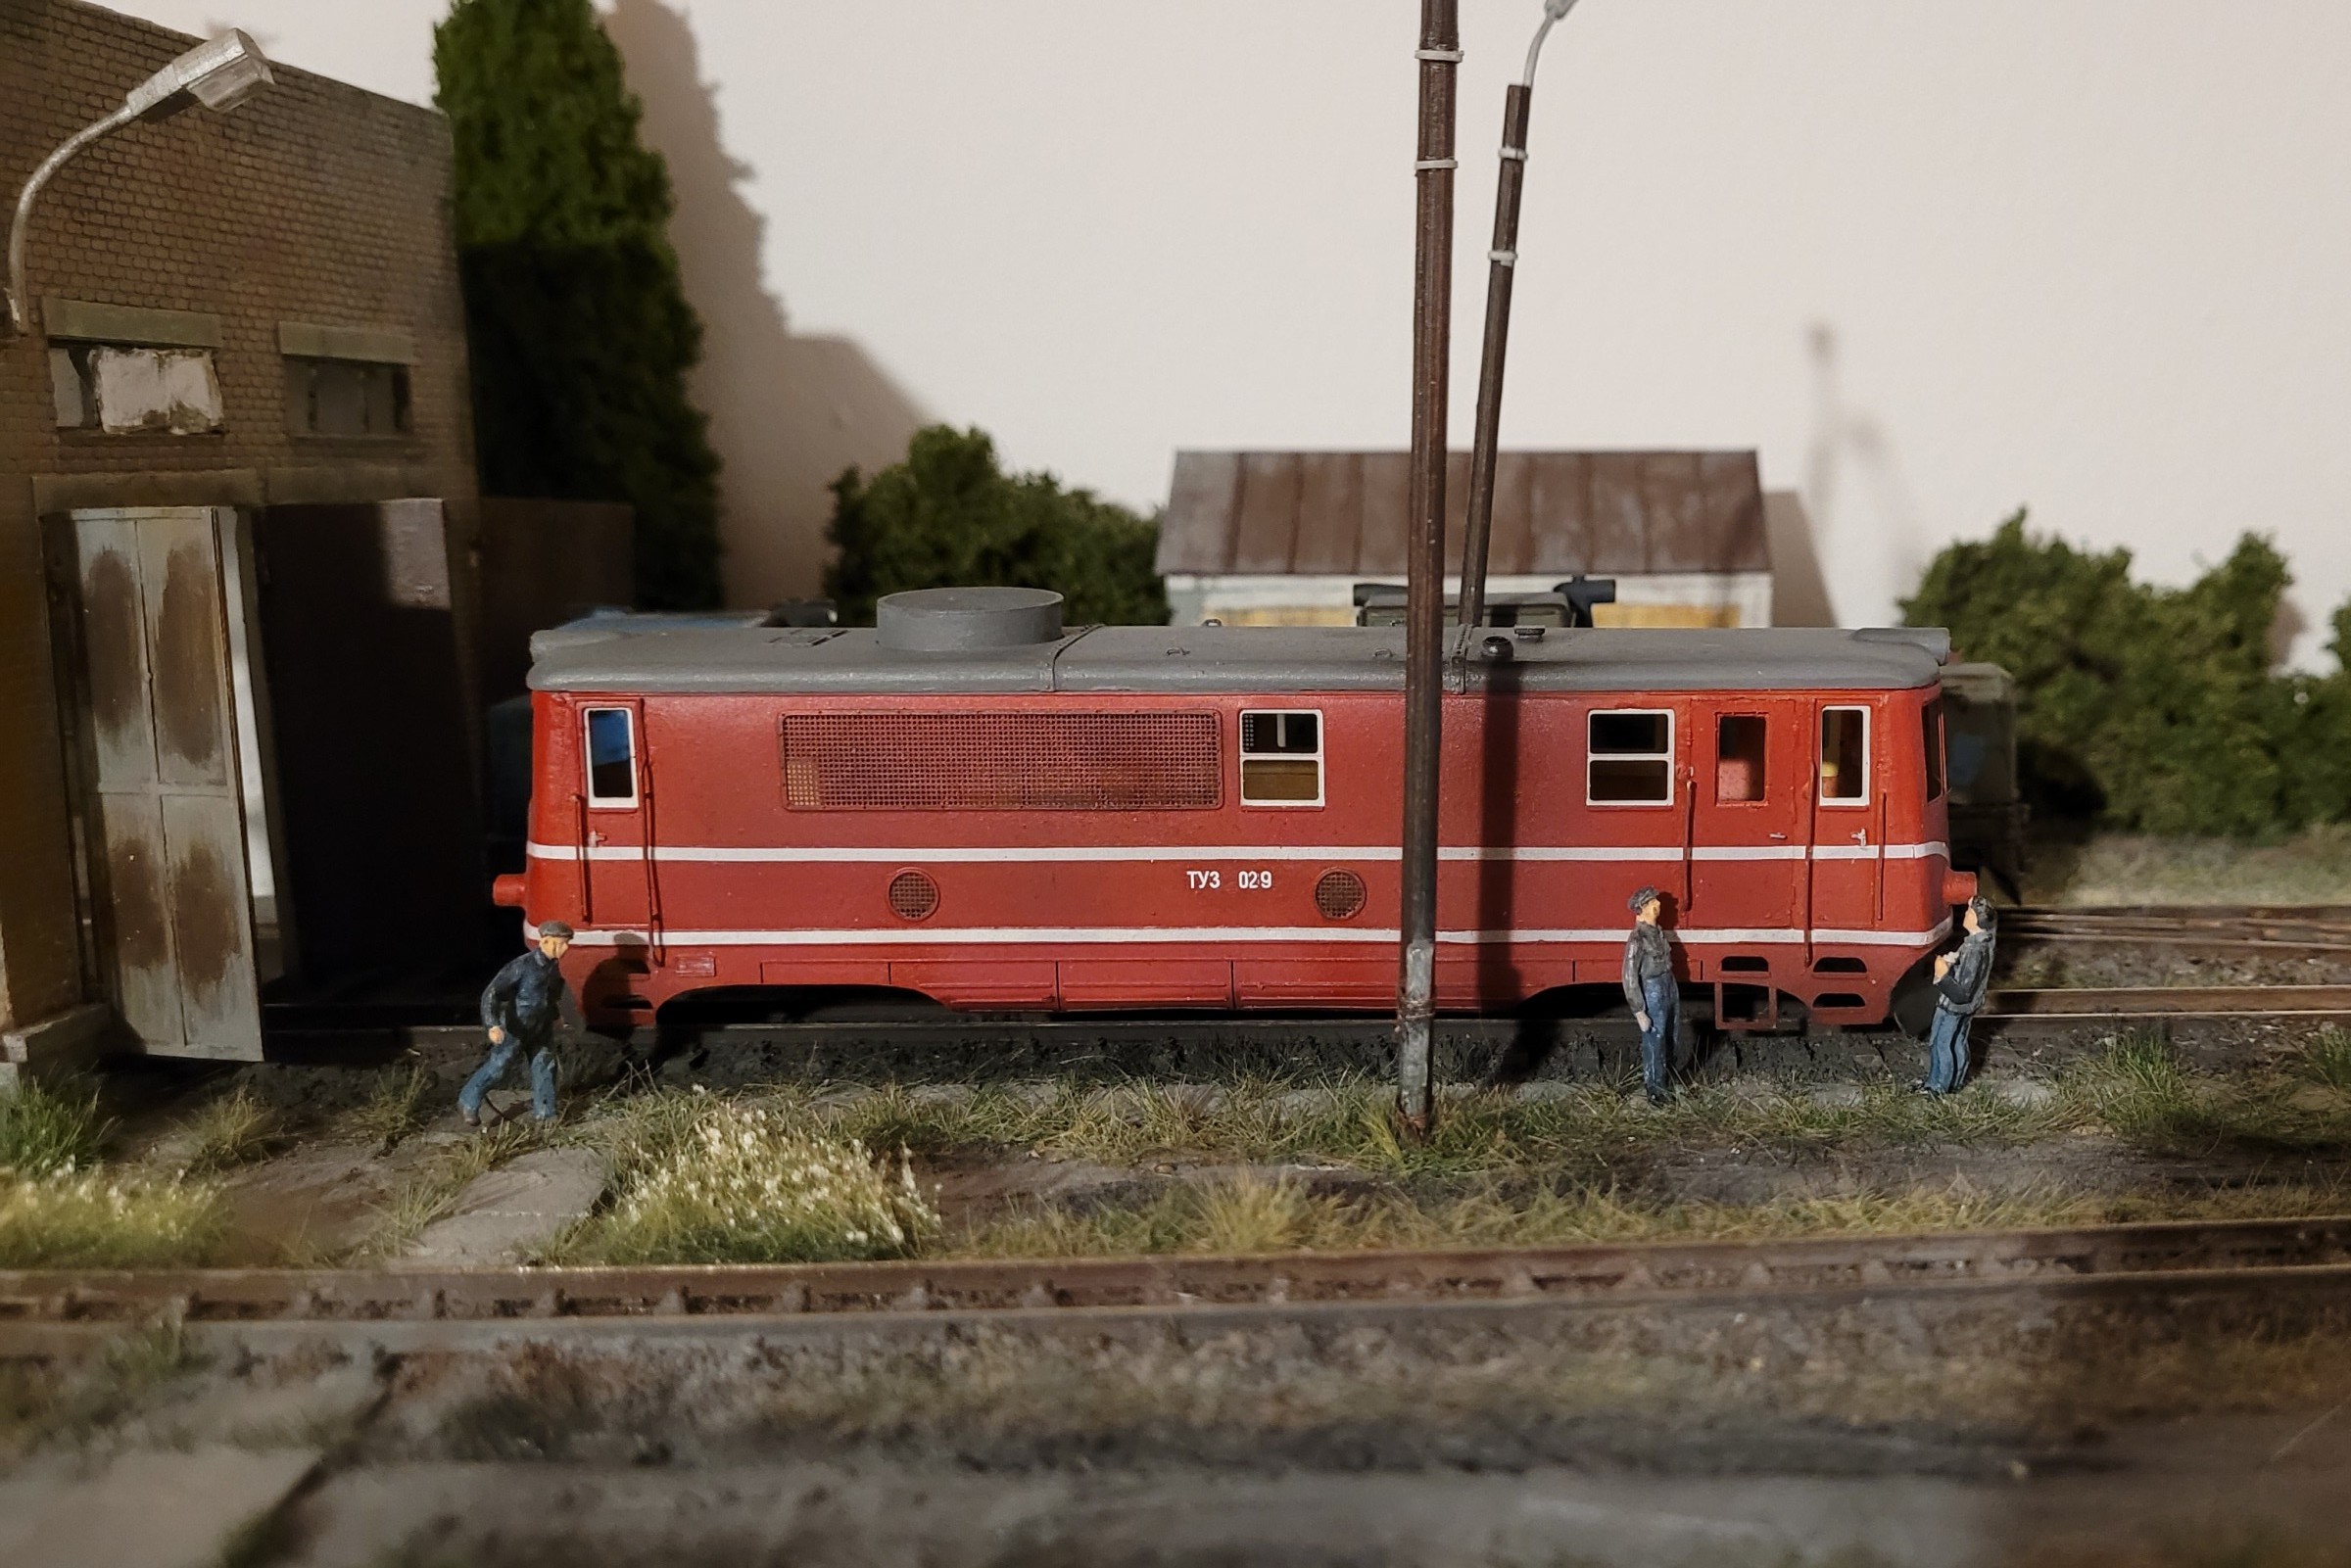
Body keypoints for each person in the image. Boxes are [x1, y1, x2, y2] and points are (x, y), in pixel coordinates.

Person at [461, 922, 575, 1127]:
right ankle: (468, 1101)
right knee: (499, 1066)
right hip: (516, 1027)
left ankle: (545, 1113)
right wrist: (492, 1025)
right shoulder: (522, 966)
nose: (566, 948)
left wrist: (556, 1016)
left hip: (541, 1026)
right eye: (561, 943)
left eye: (567, 943)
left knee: (545, 1066)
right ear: (545, 942)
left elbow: (549, 996)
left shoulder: (553, 967)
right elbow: (492, 993)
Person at [1920, 896, 1997, 1095]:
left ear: (1978, 920)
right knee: (1957, 1042)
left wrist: (1942, 975)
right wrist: (1953, 963)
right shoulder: (1980, 942)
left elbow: (1962, 993)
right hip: (1963, 1006)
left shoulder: (1975, 950)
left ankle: (1939, 1086)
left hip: (1953, 1006)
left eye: (1969, 912)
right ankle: (1953, 1082)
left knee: (1941, 1044)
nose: (1965, 915)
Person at [1621, 886, 1677, 1106]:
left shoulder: (1658, 932)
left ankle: (1666, 1081)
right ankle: (1655, 1091)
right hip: (1653, 989)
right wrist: (1639, 1011)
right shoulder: (1637, 939)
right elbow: (1629, 975)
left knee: (1671, 1035)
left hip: (1668, 984)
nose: (1658, 904)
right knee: (1655, 1041)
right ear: (1642, 908)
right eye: (1653, 902)